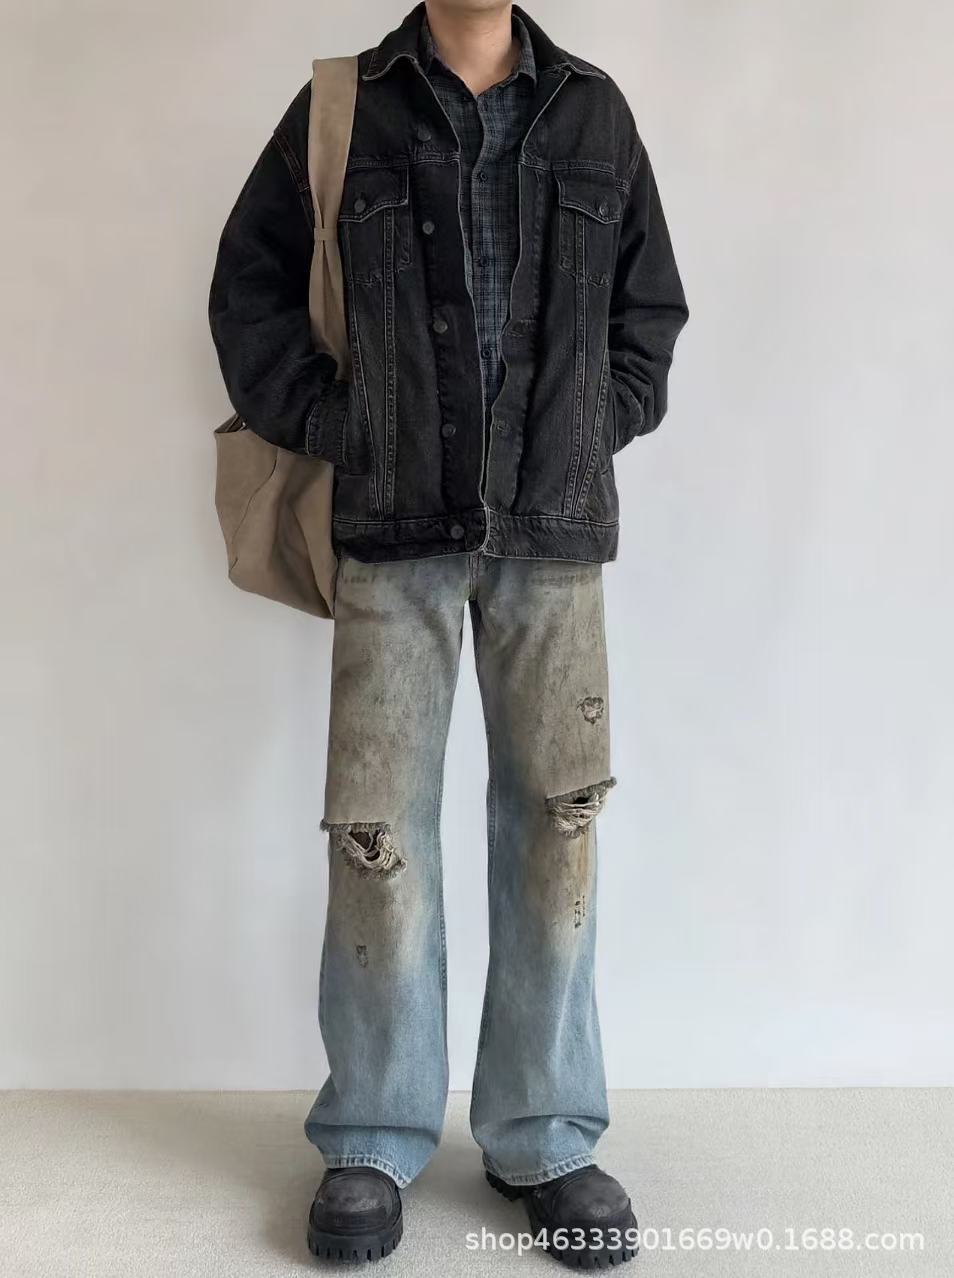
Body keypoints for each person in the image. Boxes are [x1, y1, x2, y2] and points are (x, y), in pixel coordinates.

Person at [208, 0, 687, 1265]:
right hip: (391, 528)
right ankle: (373, 1134)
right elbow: (250, 292)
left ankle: (547, 1136)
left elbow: (648, 312)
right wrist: (346, 428)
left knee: (558, 828)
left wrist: (588, 425)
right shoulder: (343, 107)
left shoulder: (593, 111)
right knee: (377, 838)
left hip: (553, 531)